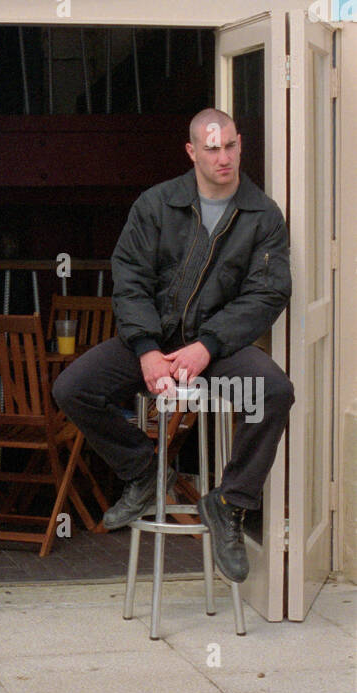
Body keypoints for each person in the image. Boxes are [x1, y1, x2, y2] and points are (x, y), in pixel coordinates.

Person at [52, 108, 295, 583]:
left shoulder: (264, 215)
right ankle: (146, 473)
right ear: (192, 152)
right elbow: (129, 279)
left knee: (274, 391)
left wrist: (207, 345)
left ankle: (230, 503)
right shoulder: (155, 204)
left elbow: (267, 293)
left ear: (240, 144)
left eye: (229, 146)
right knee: (72, 388)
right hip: (153, 340)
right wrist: (144, 348)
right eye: (211, 149)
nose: (223, 158)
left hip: (218, 348)